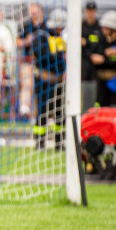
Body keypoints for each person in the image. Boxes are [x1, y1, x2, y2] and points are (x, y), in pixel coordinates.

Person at [30, 8, 67, 149]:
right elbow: (42, 58)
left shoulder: (60, 39)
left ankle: (59, 142)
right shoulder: (41, 36)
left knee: (59, 113)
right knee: (43, 111)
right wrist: (57, 55)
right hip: (44, 81)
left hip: (58, 81)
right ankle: (39, 142)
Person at [89, 10, 116, 107]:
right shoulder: (101, 40)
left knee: (115, 109)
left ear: (113, 28)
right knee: (101, 108)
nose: (103, 29)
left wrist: (104, 60)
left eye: (106, 27)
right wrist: (105, 54)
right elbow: (93, 57)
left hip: (115, 82)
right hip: (101, 82)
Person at [80, 0, 101, 110]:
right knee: (82, 88)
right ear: (85, 11)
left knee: (95, 89)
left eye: (92, 11)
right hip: (83, 64)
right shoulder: (81, 26)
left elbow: (99, 45)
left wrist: (86, 43)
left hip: (95, 65)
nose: (90, 13)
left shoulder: (99, 27)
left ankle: (93, 111)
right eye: (88, 11)